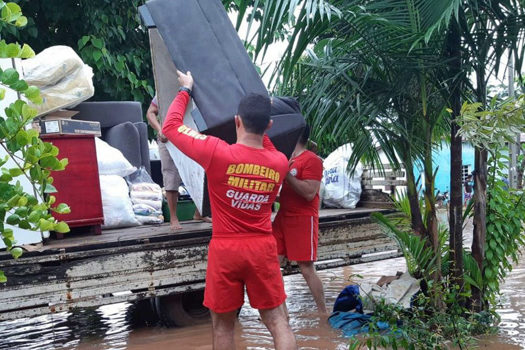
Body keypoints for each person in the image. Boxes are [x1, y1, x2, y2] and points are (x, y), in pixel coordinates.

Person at [162, 70, 297, 350]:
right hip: (262, 249)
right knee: (278, 322)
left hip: (226, 251)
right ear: (269, 125)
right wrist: (263, 117)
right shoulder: (280, 163)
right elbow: (266, 144)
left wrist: (186, 90)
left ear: (237, 121)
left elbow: (170, 127)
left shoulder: (217, 152)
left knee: (223, 327)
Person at [272, 124, 327, 314]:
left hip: (302, 219)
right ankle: (280, 311)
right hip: (282, 218)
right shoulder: (289, 159)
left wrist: (287, 174)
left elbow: (310, 193)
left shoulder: (312, 160)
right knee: (271, 265)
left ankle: (323, 312)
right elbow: (287, 193)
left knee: (306, 268)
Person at [146, 95, 211, 230]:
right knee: (170, 175)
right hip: (168, 138)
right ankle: (173, 218)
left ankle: (200, 212)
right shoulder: (163, 92)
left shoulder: (196, 92)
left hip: (190, 135)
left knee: (200, 172)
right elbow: (150, 112)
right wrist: (160, 129)